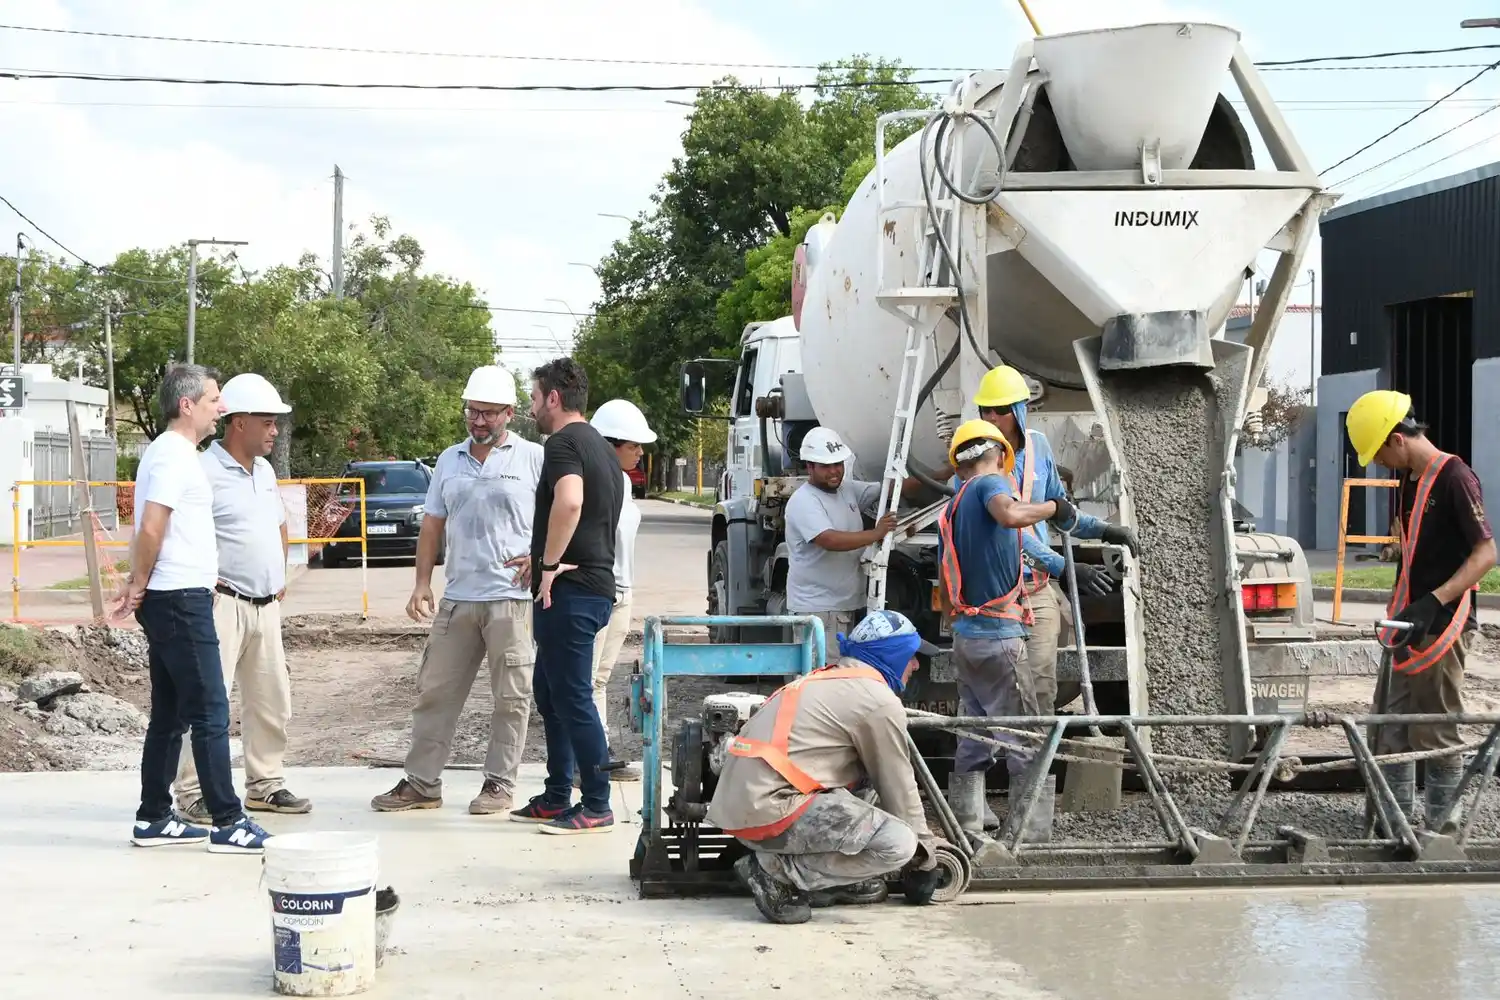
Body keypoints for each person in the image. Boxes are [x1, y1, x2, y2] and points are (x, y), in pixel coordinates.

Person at [372, 366, 544, 816]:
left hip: (513, 600)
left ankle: (499, 784)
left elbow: (563, 512)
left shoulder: (533, 459)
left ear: (509, 413)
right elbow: (432, 524)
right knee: (435, 692)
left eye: (488, 413)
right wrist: (422, 582)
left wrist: (542, 557)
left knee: (511, 698)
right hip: (459, 598)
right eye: (473, 412)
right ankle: (422, 784)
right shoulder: (449, 460)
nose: (479, 421)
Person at [707, 610, 952, 925]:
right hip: (770, 810)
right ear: (893, 656)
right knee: (897, 843)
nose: (917, 664)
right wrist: (924, 857)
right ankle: (775, 872)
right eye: (911, 656)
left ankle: (832, 878)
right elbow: (898, 786)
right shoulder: (877, 700)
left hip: (745, 804)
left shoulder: (831, 678)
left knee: (863, 784)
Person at [121, 364, 272, 854]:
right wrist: (138, 585)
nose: (219, 410)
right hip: (178, 599)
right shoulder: (172, 456)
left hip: (178, 596)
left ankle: (153, 817)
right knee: (211, 710)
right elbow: (151, 526)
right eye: (212, 401)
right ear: (187, 406)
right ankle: (229, 821)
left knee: (171, 713)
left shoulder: (176, 454)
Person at [1345, 390, 1496, 832]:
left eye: (1378, 454)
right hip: (1408, 623)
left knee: (1434, 729)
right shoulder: (1412, 479)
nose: (1378, 465)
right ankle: (1395, 830)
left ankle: (1441, 833)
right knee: (1391, 728)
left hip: (1441, 625)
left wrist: (1435, 601)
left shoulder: (1455, 478)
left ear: (1398, 439)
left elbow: (1486, 554)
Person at [173, 373, 308, 823]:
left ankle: (265, 783)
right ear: (239, 423)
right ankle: (192, 793)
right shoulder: (202, 470)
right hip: (221, 604)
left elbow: (277, 525)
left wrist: (280, 572)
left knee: (272, 700)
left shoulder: (264, 471)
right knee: (208, 703)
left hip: (266, 605)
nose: (274, 432)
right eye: (267, 423)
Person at [968, 365, 1139, 717]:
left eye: (1000, 410)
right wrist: (1064, 566)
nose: (992, 417)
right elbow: (1006, 535)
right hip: (993, 597)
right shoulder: (975, 464)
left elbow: (1060, 510)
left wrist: (1105, 531)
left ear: (1018, 410)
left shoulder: (1038, 447)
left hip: (1035, 590)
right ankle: (985, 766)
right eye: (986, 410)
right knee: (992, 691)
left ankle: (1033, 767)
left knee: (1041, 685)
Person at [937, 419, 1073, 841]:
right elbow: (1012, 515)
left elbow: (947, 577)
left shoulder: (953, 506)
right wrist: (1054, 508)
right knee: (1025, 739)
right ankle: (1028, 839)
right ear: (999, 456)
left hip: (967, 637)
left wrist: (1067, 567)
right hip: (999, 638)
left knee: (974, 736)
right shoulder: (988, 486)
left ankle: (967, 828)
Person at [510, 357, 621, 834]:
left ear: (554, 398)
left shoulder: (562, 443)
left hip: (571, 591)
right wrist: (538, 559)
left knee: (573, 696)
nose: (531, 408)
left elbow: (571, 500)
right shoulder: (599, 446)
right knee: (551, 692)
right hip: (586, 588)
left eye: (534, 399)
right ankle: (558, 795)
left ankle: (596, 802)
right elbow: (591, 517)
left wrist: (551, 565)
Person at [585, 398, 656, 782]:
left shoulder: (625, 483)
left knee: (599, 678)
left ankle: (599, 753)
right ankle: (585, 758)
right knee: (582, 679)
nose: (640, 453)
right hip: (596, 590)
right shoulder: (587, 481)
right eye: (633, 445)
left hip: (622, 590)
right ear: (611, 445)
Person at [783, 427, 897, 664]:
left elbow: (889, 490)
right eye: (826, 466)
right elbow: (828, 539)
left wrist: (941, 474)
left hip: (843, 607)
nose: (834, 471)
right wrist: (875, 533)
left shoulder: (846, 489)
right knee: (820, 681)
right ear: (809, 466)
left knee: (839, 679)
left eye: (838, 463)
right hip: (819, 611)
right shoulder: (804, 501)